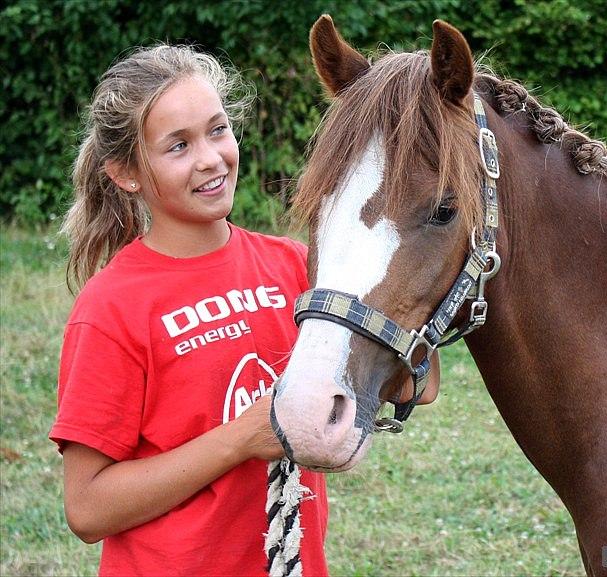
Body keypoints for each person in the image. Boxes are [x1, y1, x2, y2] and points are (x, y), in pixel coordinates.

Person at [50, 43, 440, 577]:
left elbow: (416, 386)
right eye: (178, 146)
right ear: (126, 173)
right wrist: (240, 439)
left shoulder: (294, 267)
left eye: (217, 130)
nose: (210, 158)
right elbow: (88, 508)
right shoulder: (113, 307)